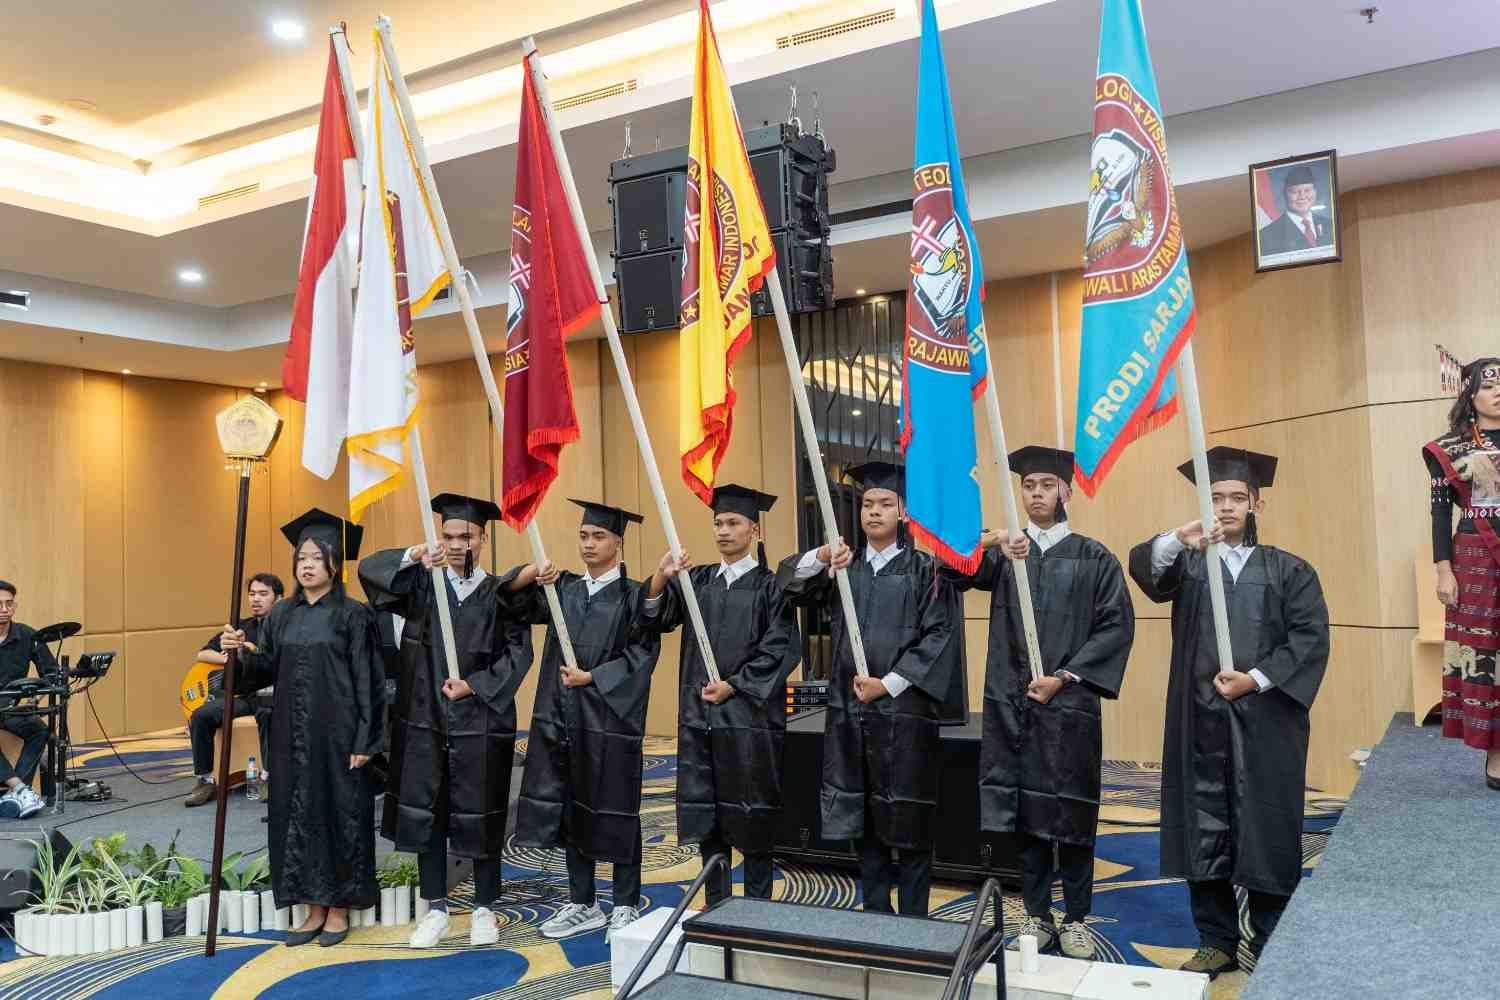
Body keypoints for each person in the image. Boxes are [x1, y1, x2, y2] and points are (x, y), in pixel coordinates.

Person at [1128, 447, 1329, 978]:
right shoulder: (1189, 564)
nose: (1226, 506)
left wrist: (1255, 679)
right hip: (1200, 715)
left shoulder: (1289, 570)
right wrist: (1180, 537)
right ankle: (1215, 940)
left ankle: (1270, 936)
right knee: (1203, 825)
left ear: (1257, 503)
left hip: (1267, 720)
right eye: (1216, 497)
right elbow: (1146, 569)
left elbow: (1309, 639)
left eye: (1238, 497)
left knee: (1267, 824)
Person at [946, 447, 1134, 959]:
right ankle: (1036, 912)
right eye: (1028, 486)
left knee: (1073, 814)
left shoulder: (1094, 557)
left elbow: (1115, 626)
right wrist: (992, 540)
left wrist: (1065, 677)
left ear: (1066, 492)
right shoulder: (1008, 554)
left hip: (1070, 706)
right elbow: (952, 566)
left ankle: (1076, 917)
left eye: (1047, 485)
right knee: (1026, 813)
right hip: (1016, 705)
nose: (1036, 494)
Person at [778, 462, 956, 917]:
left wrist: (888, 684)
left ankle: (914, 920)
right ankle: (875, 910)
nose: (874, 512)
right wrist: (823, 556)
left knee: (910, 817)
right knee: (864, 815)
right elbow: (788, 583)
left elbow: (938, 636)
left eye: (885, 504)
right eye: (868, 504)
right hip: (850, 710)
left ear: (903, 512)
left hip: (905, 713)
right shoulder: (844, 568)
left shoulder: (927, 569)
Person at [358, 493, 534, 950]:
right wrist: (416, 553)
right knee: (428, 813)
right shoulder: (422, 586)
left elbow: (520, 653)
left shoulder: (499, 593)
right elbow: (369, 571)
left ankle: (484, 908)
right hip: (425, 719)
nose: (457, 545)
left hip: (482, 719)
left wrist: (474, 685)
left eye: (466, 536)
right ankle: (435, 907)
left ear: (483, 539)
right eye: (448, 536)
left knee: (483, 812)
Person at [223, 508, 384, 949]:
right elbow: (263, 671)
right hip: (291, 734)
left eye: (316, 557)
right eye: (301, 558)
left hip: (339, 734)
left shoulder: (353, 615)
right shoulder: (282, 615)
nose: (307, 565)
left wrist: (366, 738)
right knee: (298, 815)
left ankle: (339, 908)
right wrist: (239, 653)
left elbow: (370, 681)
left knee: (340, 815)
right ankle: (312, 905)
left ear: (335, 563)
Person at [640, 485, 801, 909]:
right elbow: (655, 619)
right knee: (707, 812)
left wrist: (734, 684)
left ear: (754, 529)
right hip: (701, 716)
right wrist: (662, 576)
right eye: (718, 523)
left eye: (733, 523)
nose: (724, 531)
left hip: (750, 720)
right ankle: (716, 904)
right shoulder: (697, 581)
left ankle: (757, 909)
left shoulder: (772, 587)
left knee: (754, 815)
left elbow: (780, 648)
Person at [511, 500, 661, 942]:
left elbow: (643, 653)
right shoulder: (564, 590)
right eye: (583, 536)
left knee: (618, 808)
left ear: (618, 542)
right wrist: (532, 575)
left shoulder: (634, 596)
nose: (589, 543)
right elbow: (512, 605)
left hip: (611, 721)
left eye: (598, 536)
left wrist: (593, 677)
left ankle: (626, 903)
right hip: (562, 717)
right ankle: (583, 902)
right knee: (571, 806)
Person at [1423, 358, 1500, 787]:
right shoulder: (1448, 448)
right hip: (1475, 559)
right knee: (1485, 652)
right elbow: (1439, 514)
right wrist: (1443, 570)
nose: (1498, 391)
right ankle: (1496, 750)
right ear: (1469, 394)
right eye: (1488, 385)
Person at [184, 572, 284, 807]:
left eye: (263, 594)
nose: (255, 599)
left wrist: (247, 651)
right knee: (201, 715)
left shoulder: (284, 628)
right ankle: (206, 780)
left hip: (272, 694)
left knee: (268, 713)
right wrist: (229, 655)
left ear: (278, 598)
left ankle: (269, 777)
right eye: (252, 594)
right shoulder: (241, 626)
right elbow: (202, 653)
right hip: (242, 695)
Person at [0, 581, 57, 820]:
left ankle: (15, 794)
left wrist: (36, 696)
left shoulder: (27, 635)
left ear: (15, 605)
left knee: (40, 730)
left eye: (9, 603)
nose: (4, 609)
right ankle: (21, 789)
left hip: (12, 708)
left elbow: (51, 672)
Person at [1257, 165, 1334, 256]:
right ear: (1285, 194)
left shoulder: (1330, 225)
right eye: (1295, 192)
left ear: (1315, 192)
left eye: (1307, 190)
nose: (1302, 196)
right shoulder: (1267, 235)